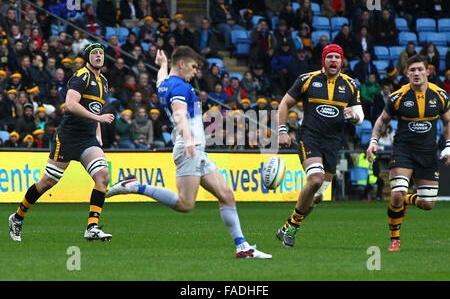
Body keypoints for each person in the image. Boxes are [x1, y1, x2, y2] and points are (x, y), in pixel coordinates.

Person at [106, 46, 272, 259]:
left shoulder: (165, 84)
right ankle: (135, 186)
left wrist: (163, 64)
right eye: (193, 67)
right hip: (189, 149)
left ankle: (243, 247)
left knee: (227, 196)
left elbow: (159, 80)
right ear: (182, 64)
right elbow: (179, 115)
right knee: (185, 204)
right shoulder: (180, 88)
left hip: (196, 151)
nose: (196, 72)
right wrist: (189, 138)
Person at [8, 42, 115, 242]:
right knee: (48, 181)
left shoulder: (104, 82)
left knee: (103, 175)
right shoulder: (81, 76)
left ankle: (92, 227)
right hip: (68, 137)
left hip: (88, 138)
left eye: (101, 53)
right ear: (88, 57)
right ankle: (17, 217)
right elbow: (70, 104)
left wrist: (98, 132)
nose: (99, 56)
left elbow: (96, 110)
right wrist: (99, 119)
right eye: (95, 53)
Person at [276, 44, 364, 248]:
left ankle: (288, 226)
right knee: (315, 180)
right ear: (323, 60)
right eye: (329, 57)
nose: (333, 60)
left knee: (317, 197)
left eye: (337, 57)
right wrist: (281, 130)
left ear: (342, 61)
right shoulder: (306, 80)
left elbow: (360, 116)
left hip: (333, 143)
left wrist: (354, 116)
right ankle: (292, 230)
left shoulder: (351, 85)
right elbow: (284, 104)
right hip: (310, 138)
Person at [366, 54, 450, 252]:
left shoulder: (440, 95)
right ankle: (395, 239)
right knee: (397, 193)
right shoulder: (398, 96)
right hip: (403, 151)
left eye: (420, 69)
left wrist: (448, 145)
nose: (416, 73)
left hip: (428, 154)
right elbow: (381, 121)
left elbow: (448, 121)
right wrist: (373, 142)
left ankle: (404, 199)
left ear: (427, 72)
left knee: (427, 204)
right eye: (412, 70)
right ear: (407, 73)